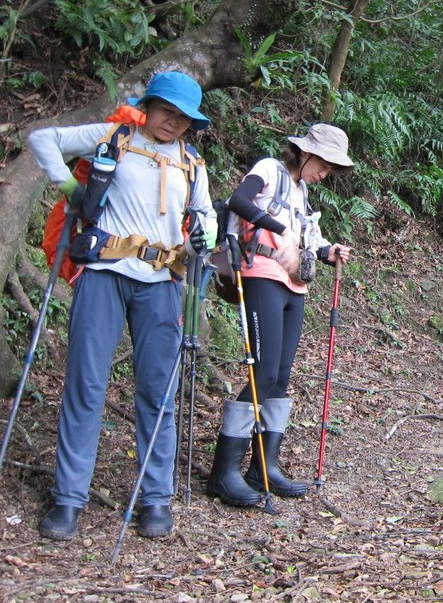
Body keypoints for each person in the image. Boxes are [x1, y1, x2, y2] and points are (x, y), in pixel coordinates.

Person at [28, 71, 217, 540]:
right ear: (149, 105)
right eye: (166, 111)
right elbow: (43, 139)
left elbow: (206, 223)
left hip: (162, 283)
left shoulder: (193, 164)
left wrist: (203, 238)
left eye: (183, 117)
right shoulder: (114, 136)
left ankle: (155, 499)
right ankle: (68, 499)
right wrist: (70, 189)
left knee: (157, 393)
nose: (173, 122)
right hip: (104, 275)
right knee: (85, 385)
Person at [206, 124, 354, 507]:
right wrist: (280, 230)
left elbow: (309, 239)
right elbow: (239, 201)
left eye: (331, 168)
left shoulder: (303, 194)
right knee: (264, 371)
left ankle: (263, 467)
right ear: (304, 152)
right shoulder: (269, 170)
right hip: (261, 274)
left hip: (294, 284)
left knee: (281, 375)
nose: (325, 173)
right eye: (323, 163)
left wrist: (328, 251)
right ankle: (224, 473)